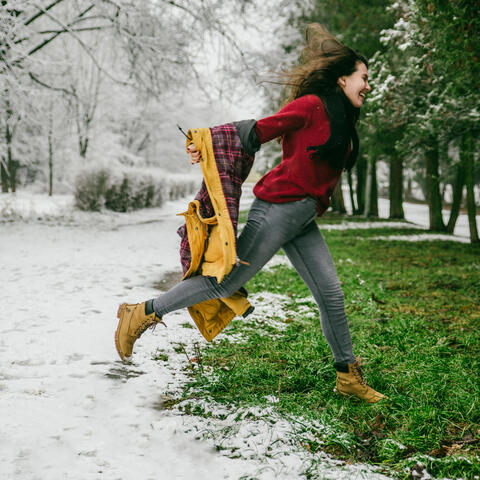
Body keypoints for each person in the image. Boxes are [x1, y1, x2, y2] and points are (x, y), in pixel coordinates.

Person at [114, 24, 385, 403]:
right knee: (224, 282)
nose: (368, 86)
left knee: (331, 294)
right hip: (279, 208)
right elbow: (258, 130)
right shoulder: (311, 106)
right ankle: (141, 312)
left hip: (302, 216)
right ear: (342, 79)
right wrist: (205, 143)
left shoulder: (339, 115)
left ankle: (347, 377)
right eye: (364, 78)